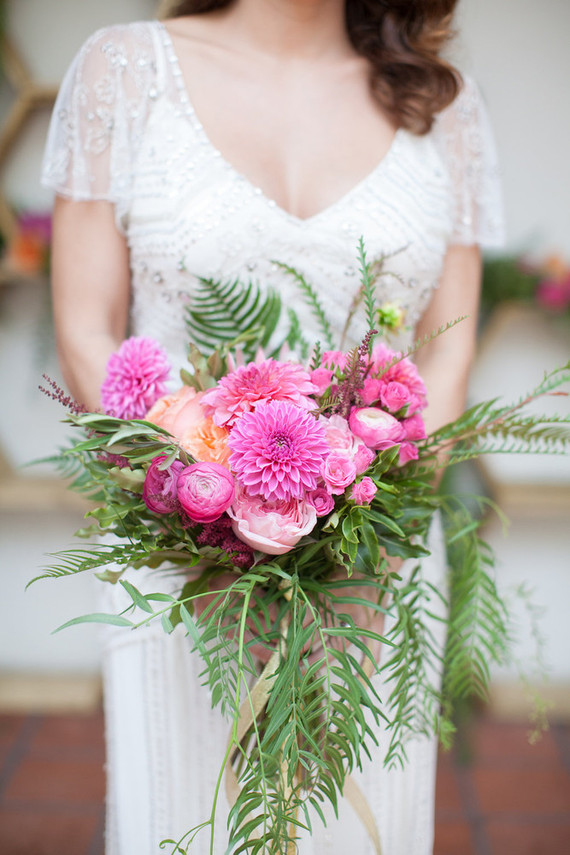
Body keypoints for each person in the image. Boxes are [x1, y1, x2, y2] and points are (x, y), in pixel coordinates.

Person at [42, 1, 504, 853]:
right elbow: (87, 330)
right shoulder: (125, 71)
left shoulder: (443, 102)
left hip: (380, 562)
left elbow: (447, 352)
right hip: (182, 558)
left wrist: (371, 536)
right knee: (186, 819)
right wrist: (201, 524)